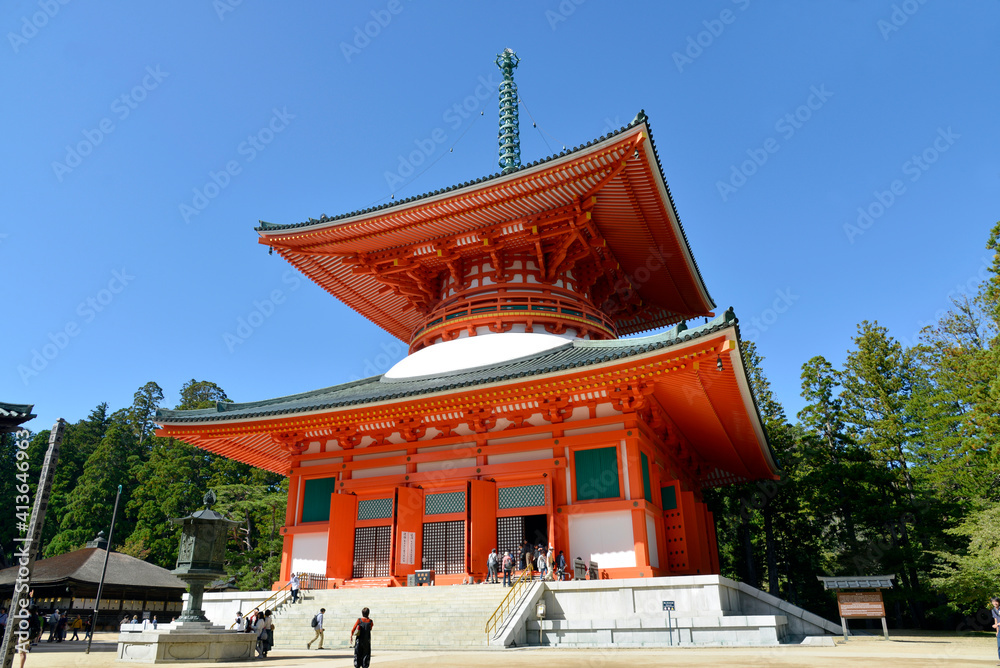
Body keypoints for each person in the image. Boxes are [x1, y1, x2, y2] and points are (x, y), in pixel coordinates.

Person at [991, 597, 1000, 662]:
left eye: (996, 601)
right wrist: (997, 631)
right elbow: (996, 620)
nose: (995, 603)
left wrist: (997, 625)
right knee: (999, 646)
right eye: (993, 602)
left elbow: (997, 624)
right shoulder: (993, 610)